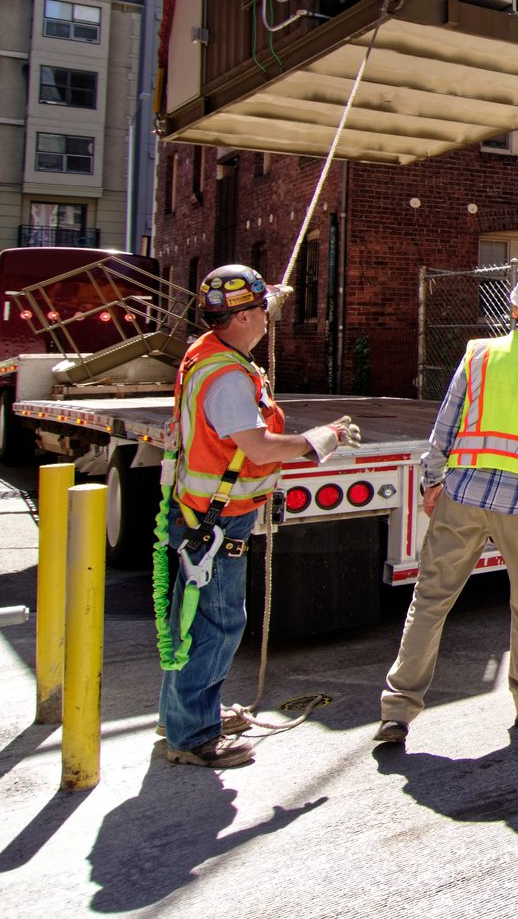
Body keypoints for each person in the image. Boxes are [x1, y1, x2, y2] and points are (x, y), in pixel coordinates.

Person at [374, 267, 518, 748]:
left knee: (430, 600)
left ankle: (397, 711)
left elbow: (446, 420)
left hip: (461, 495)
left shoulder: (478, 355)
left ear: (514, 310)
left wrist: (432, 480)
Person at [157, 264, 359, 768]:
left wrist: (274, 293)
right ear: (243, 317)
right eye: (261, 311)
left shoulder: (208, 352)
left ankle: (185, 714)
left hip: (202, 512)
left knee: (194, 619)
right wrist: (323, 439)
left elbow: (261, 302)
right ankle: (193, 736)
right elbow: (258, 447)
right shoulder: (228, 376)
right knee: (218, 623)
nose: (269, 318)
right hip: (217, 519)